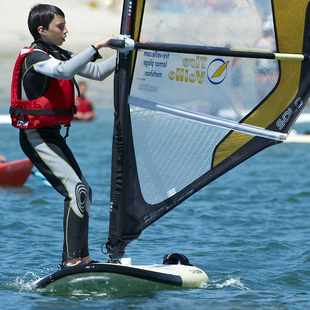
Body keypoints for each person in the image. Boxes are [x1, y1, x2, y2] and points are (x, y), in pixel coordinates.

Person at [10, 4, 117, 268]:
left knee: (84, 191)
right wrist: (97, 45)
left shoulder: (57, 53)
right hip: (35, 136)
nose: (66, 30)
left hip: (52, 135)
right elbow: (63, 72)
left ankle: (81, 258)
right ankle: (72, 261)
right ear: (42, 29)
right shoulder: (35, 57)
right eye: (60, 26)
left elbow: (97, 73)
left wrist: (128, 55)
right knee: (76, 189)